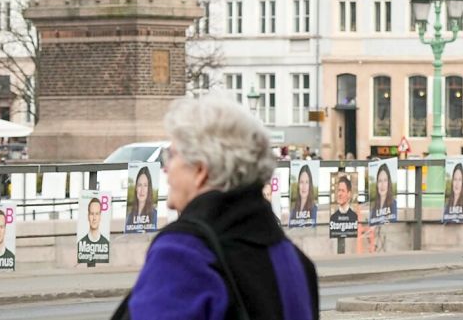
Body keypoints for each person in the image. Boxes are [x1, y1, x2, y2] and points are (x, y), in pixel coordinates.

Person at [116, 95, 318, 320]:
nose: (165, 168)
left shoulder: (183, 254)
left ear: (200, 170)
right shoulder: (295, 262)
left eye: (171, 155)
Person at [125, 167, 157, 231]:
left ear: (149, 188)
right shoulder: (129, 216)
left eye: (145, 185)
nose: (142, 190)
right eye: (139, 185)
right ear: (136, 188)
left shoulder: (154, 215)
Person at [78, 198, 109, 263]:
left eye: (97, 214)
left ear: (100, 216)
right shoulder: (81, 243)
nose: (94, 218)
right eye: (92, 214)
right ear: (88, 216)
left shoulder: (106, 243)